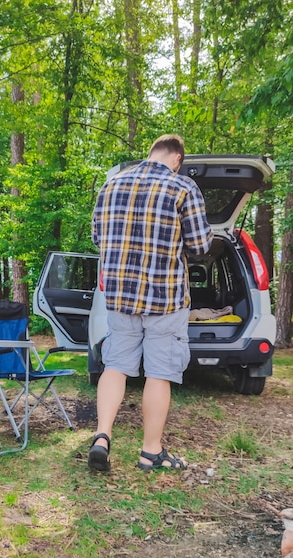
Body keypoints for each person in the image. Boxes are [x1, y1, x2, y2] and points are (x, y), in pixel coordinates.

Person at [88, 134, 213, 472]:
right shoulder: (182, 187)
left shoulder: (111, 185)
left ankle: (102, 437)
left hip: (119, 296)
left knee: (115, 365)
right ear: (177, 159)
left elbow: (98, 238)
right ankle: (150, 452)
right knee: (159, 372)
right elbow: (200, 245)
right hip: (165, 298)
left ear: (151, 153)